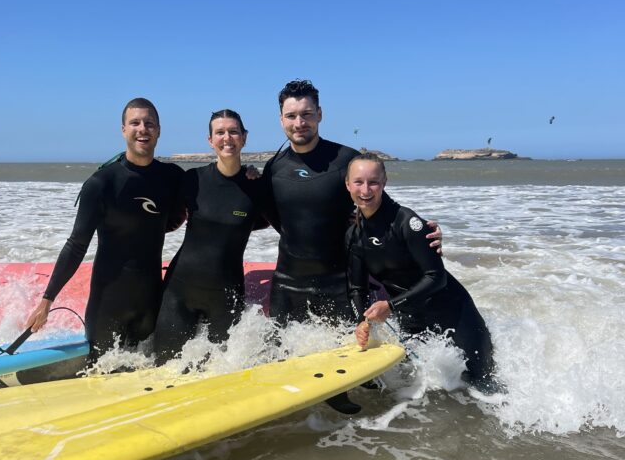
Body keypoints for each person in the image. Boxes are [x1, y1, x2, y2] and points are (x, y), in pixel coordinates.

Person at [262, 79, 442, 413]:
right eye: (291, 115)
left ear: (320, 114)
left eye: (306, 114)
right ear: (281, 119)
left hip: (337, 278)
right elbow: (272, 216)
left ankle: (347, 402)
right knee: (281, 354)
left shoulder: (345, 159)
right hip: (288, 278)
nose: (299, 122)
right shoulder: (274, 167)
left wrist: (421, 232)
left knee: (350, 358)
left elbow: (381, 207)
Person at [25, 98, 185, 361]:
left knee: (148, 377)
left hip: (150, 304)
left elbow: (210, 193)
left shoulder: (173, 177)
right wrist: (46, 301)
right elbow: (76, 245)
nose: (142, 128)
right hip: (107, 306)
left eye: (149, 123)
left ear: (158, 130)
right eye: (135, 123)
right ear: (123, 129)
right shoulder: (102, 183)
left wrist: (248, 174)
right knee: (99, 377)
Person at [346, 152, 496, 388]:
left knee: (483, 385)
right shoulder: (354, 234)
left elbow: (436, 278)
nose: (366, 189)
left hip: (454, 313)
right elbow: (357, 286)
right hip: (412, 318)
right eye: (359, 182)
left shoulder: (408, 223)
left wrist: (391, 306)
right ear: (348, 185)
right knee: (422, 387)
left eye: (373, 182)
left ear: (384, 183)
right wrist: (361, 321)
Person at [153, 109, 270, 363]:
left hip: (226, 297)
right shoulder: (192, 179)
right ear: (210, 140)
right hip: (179, 292)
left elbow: (279, 221)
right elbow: (160, 214)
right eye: (220, 132)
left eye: (233, 131)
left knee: (222, 374)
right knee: (163, 368)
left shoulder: (258, 186)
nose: (227, 137)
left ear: (244, 137)